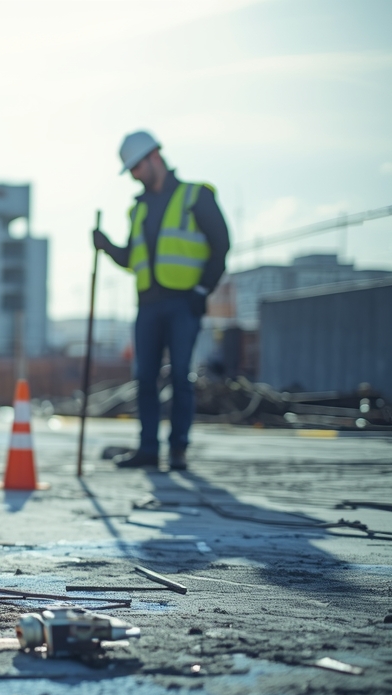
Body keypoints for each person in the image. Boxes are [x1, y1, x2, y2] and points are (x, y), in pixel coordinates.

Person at [93, 130, 229, 471]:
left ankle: (178, 450)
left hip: (184, 303)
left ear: (154, 157)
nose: (135, 176)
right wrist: (107, 246)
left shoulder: (195, 196)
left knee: (181, 377)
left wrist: (202, 292)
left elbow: (221, 245)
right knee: (145, 378)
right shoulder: (138, 209)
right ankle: (148, 450)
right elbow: (131, 259)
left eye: (136, 167)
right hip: (148, 306)